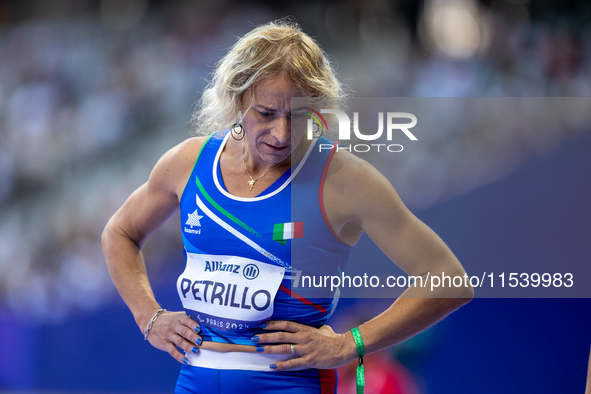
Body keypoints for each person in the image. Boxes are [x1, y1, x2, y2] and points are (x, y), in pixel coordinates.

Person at [101, 19, 473, 393]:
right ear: (238, 97)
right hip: (195, 379)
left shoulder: (344, 179)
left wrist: (349, 345)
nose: (281, 134)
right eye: (265, 113)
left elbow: (449, 279)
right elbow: (120, 231)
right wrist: (148, 315)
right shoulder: (188, 162)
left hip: (291, 383)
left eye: (298, 116)